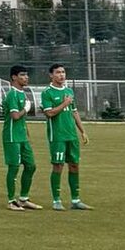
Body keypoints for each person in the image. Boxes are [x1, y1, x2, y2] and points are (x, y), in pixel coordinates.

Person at [41, 63, 92, 210]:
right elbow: (49, 113)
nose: (61, 75)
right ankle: (56, 201)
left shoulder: (69, 91)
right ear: (51, 75)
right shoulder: (47, 93)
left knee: (74, 165)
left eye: (63, 72)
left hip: (71, 135)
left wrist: (82, 131)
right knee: (58, 166)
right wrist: (65, 103)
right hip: (57, 136)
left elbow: (74, 112)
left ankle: (75, 200)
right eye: (58, 72)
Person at [1, 65, 38, 211]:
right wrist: (26, 109)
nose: (26, 77)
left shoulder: (22, 94)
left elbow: (21, 119)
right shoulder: (12, 94)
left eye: (26, 75)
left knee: (31, 166)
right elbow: (15, 116)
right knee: (14, 167)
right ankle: (11, 201)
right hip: (11, 136)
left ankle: (23, 198)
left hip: (22, 137)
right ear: (14, 77)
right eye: (22, 75)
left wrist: (27, 134)